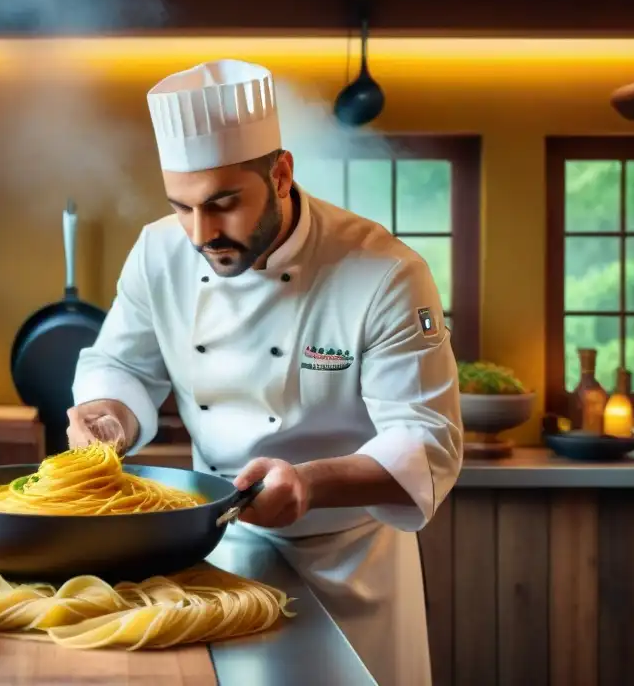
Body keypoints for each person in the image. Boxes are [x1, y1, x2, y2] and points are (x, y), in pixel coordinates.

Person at [67, 58, 463, 686]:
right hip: (213, 557)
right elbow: (120, 363)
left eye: (224, 204)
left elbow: (428, 441)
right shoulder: (158, 251)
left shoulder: (384, 271)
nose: (202, 233)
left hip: (350, 563)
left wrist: (307, 482)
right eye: (182, 207)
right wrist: (108, 417)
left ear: (280, 174)